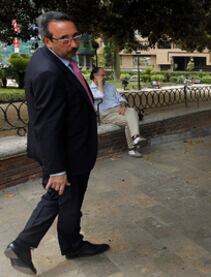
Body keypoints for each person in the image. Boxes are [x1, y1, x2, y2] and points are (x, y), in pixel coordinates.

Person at [3, 12, 109, 275]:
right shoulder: (48, 72)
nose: (73, 44)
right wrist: (57, 170)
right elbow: (48, 126)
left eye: (75, 36)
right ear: (47, 40)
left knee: (69, 202)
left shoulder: (52, 58)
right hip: (65, 154)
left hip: (74, 149)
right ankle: (21, 245)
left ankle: (72, 244)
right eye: (65, 39)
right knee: (56, 197)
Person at [90, 67, 146, 158]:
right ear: (95, 76)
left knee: (131, 110)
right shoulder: (90, 89)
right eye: (102, 75)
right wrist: (99, 83)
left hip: (119, 109)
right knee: (129, 122)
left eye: (105, 75)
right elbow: (100, 95)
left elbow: (120, 98)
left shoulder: (110, 86)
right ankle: (132, 147)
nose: (105, 77)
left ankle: (135, 137)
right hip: (106, 114)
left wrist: (123, 105)